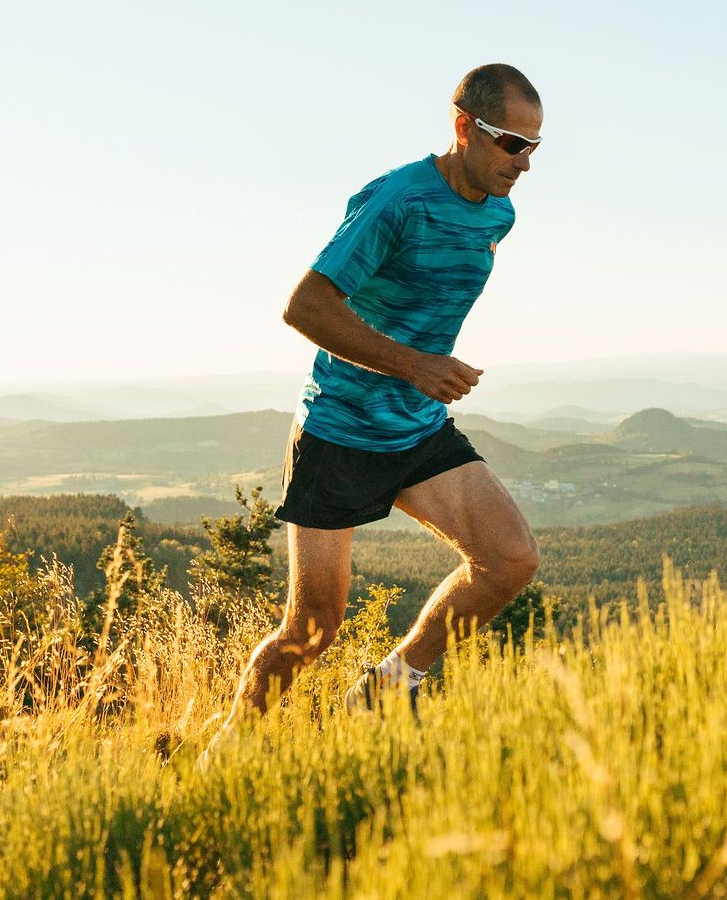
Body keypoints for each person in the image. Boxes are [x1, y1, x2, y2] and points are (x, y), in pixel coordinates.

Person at [203, 63, 545, 755]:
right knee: (313, 627)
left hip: (417, 431)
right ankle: (226, 755)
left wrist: (421, 375)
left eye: (535, 147)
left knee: (509, 559)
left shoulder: (498, 213)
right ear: (463, 128)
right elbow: (305, 305)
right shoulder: (394, 201)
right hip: (341, 430)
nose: (525, 163)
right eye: (513, 143)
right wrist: (415, 363)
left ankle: (390, 685)